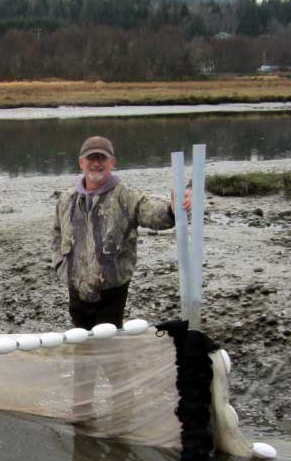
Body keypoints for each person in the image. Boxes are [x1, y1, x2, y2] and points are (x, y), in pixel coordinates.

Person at [52, 135, 191, 329]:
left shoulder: (125, 195)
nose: (96, 164)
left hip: (112, 292)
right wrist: (60, 265)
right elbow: (57, 234)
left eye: (102, 158)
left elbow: (150, 211)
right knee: (81, 346)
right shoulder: (67, 199)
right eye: (91, 158)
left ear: (112, 163)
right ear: (81, 163)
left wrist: (171, 210)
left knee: (108, 345)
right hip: (76, 290)